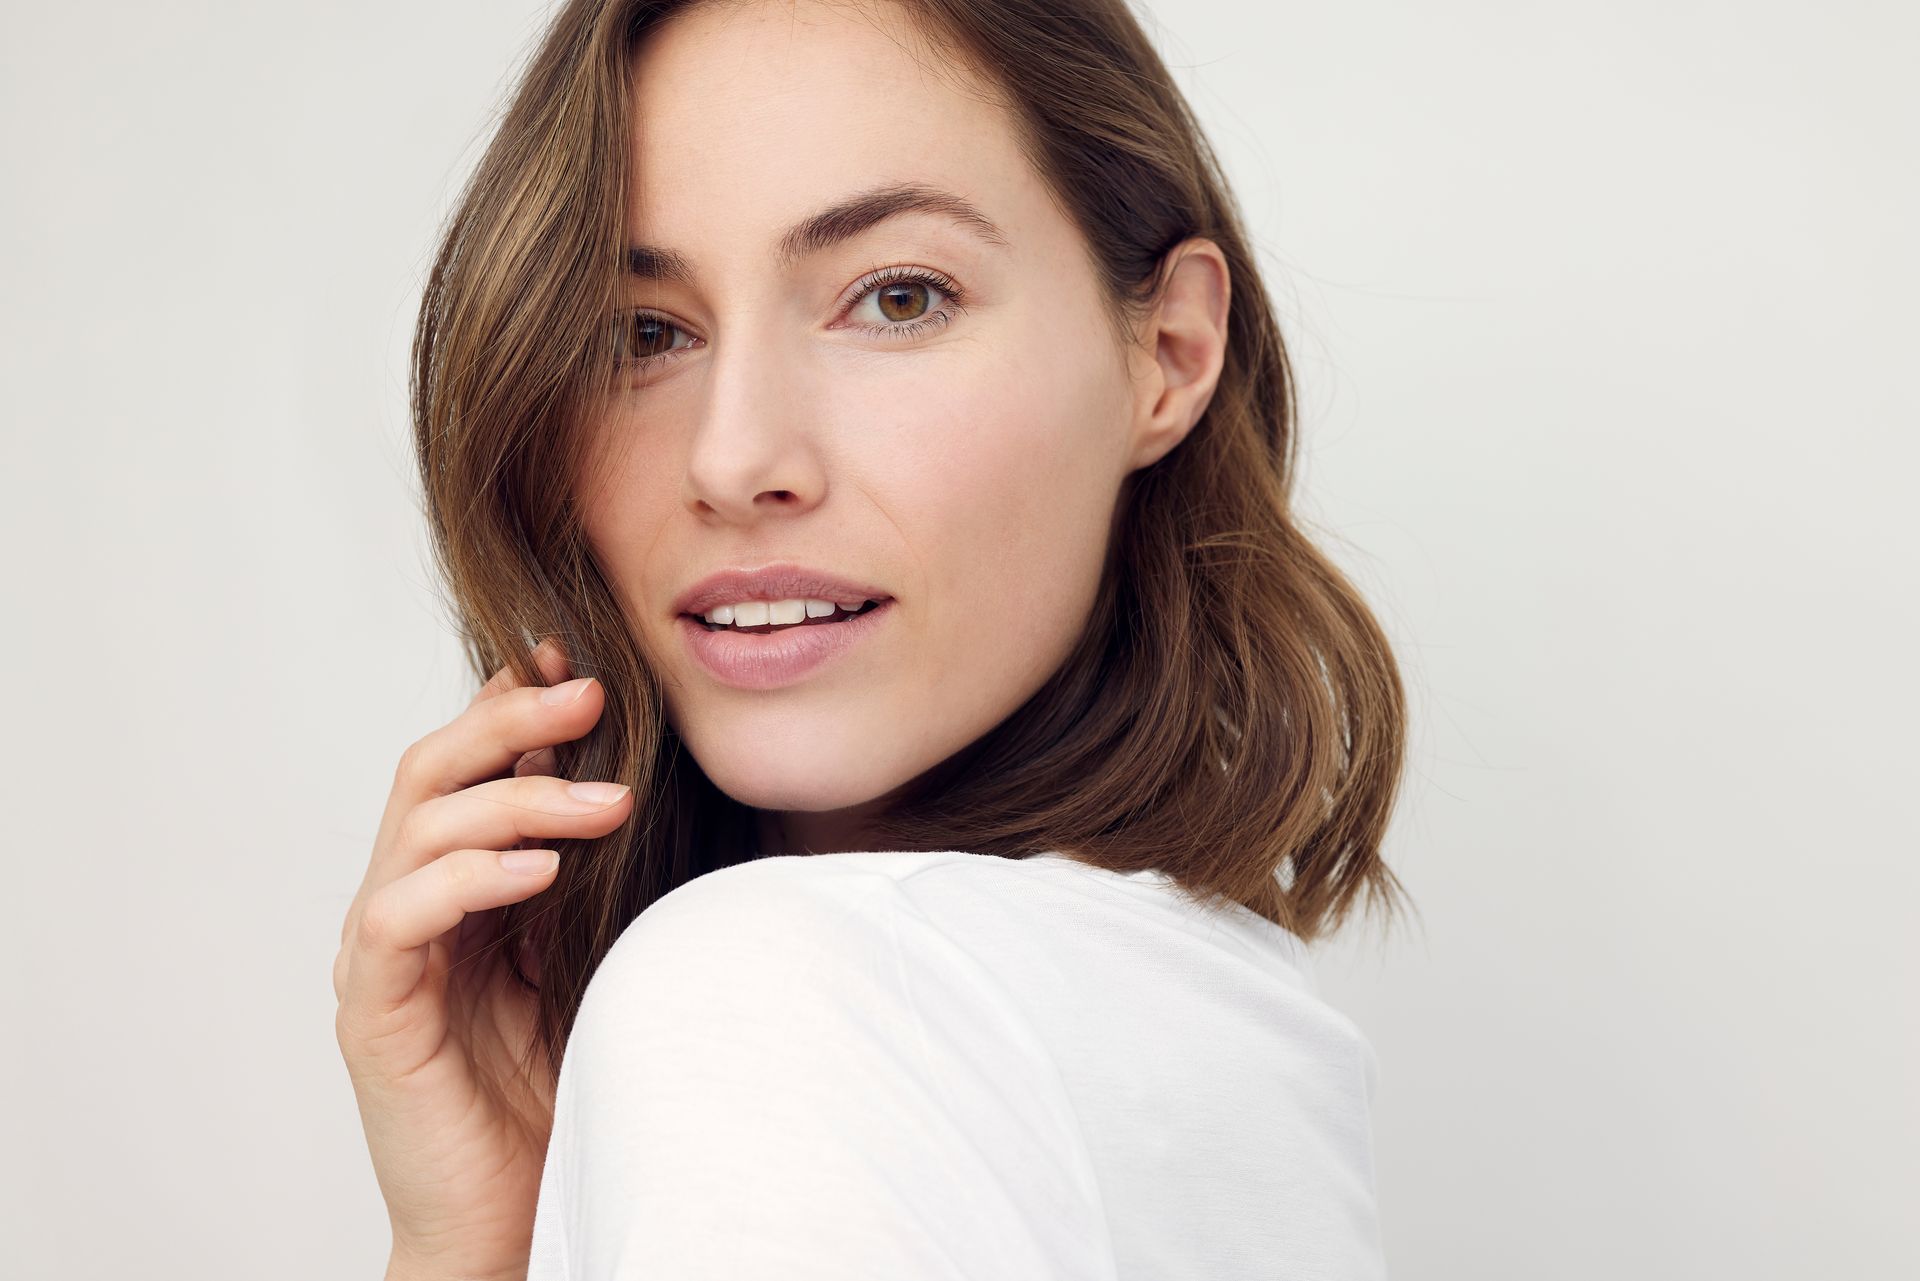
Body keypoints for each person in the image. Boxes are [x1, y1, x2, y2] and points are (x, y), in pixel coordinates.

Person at [333, 0, 1412, 1277]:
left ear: (1168, 354)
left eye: (899, 298)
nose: (736, 460)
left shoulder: (768, 994)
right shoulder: (1223, 1022)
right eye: (645, 335)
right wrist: (485, 1232)